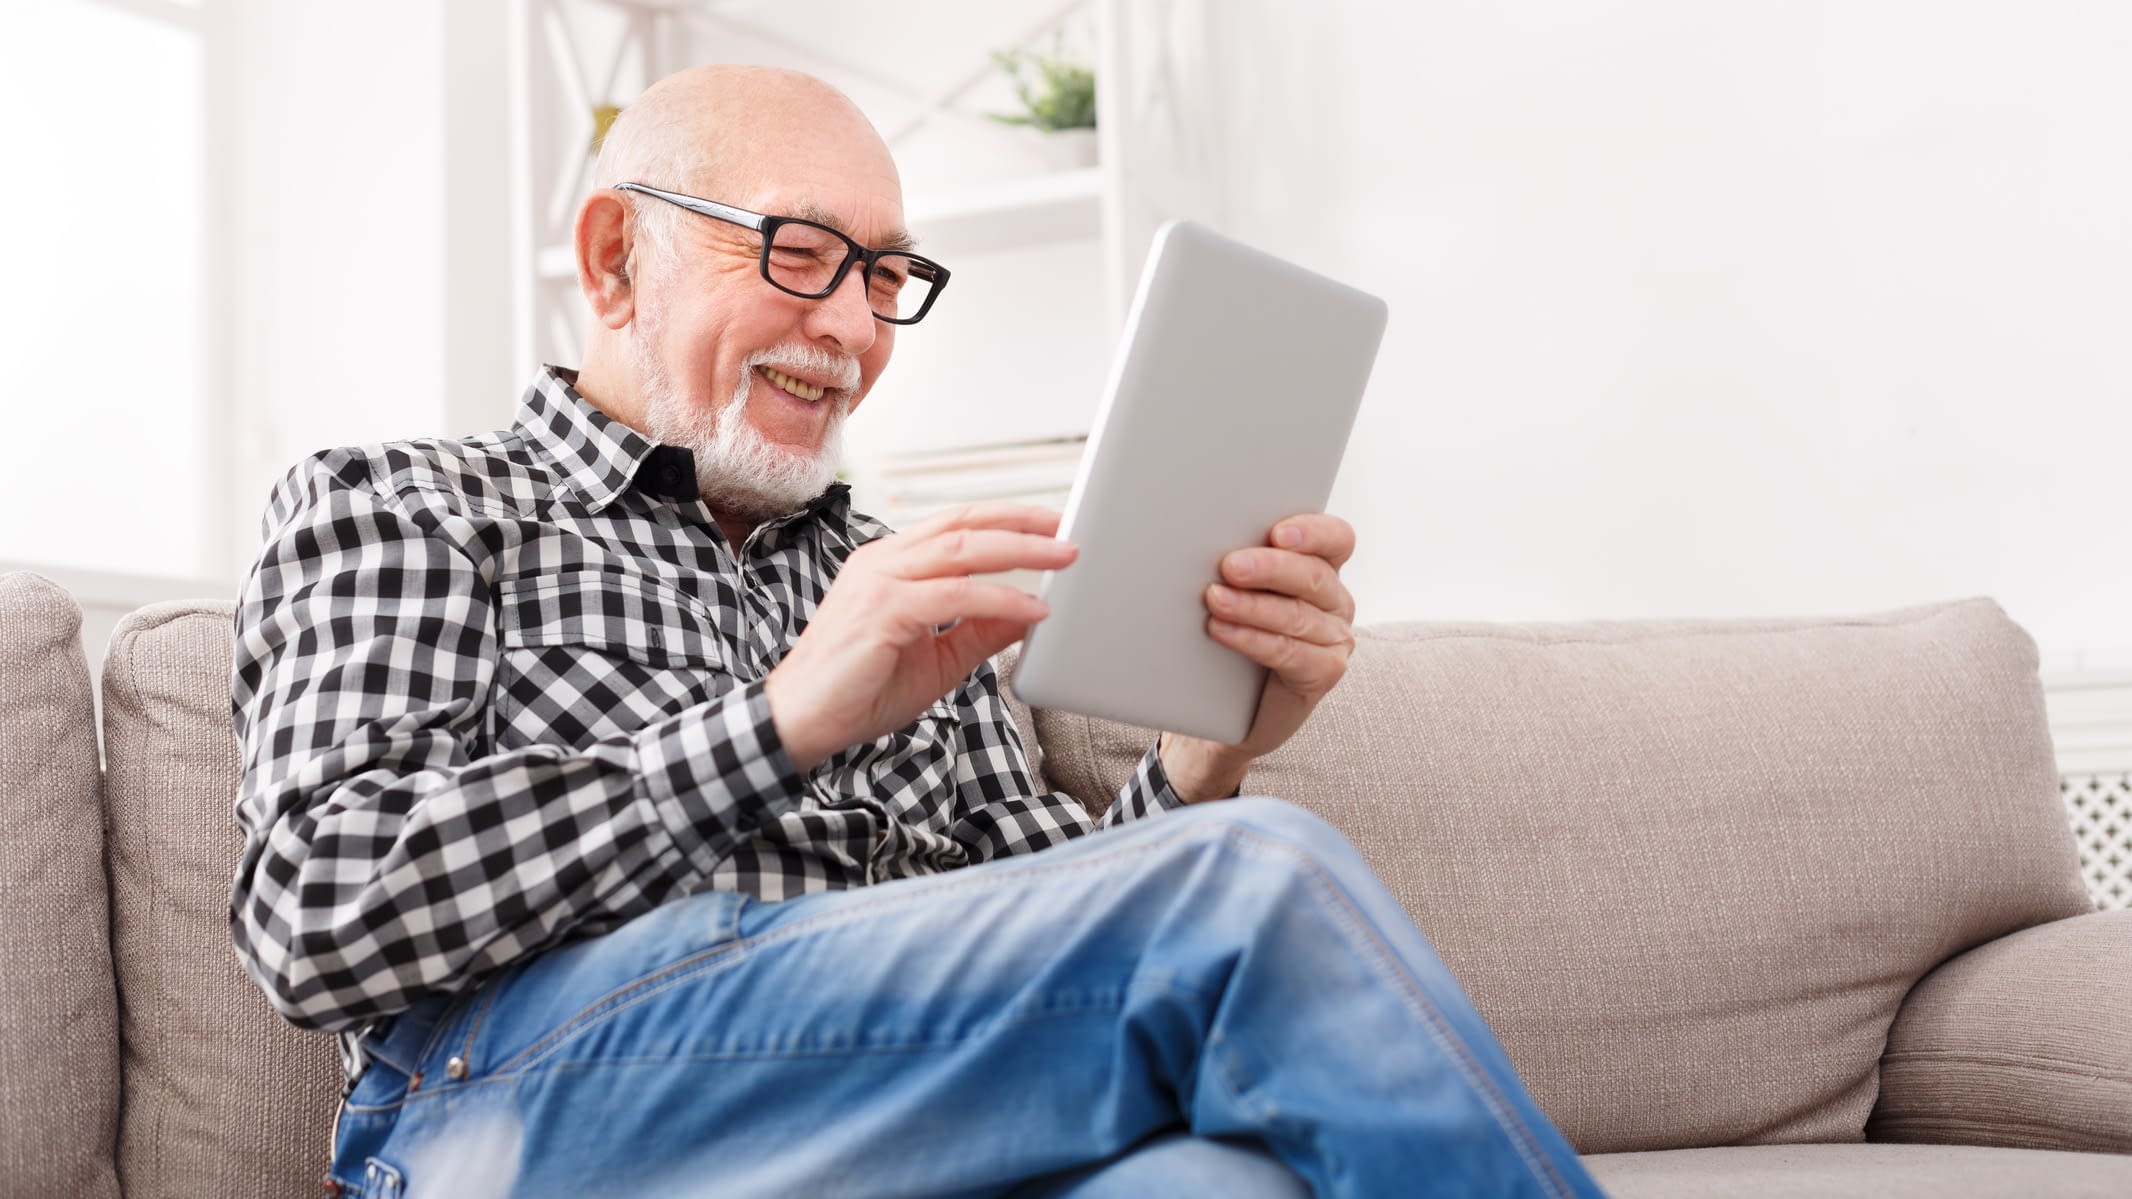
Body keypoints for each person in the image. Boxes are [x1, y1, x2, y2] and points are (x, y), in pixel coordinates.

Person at [230, 63, 1603, 1199]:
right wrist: (777, 726)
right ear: (614, 260)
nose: (849, 330)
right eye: (800, 252)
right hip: (508, 1109)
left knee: (1211, 1187)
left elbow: (1051, 922)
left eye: (884, 276)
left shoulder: (899, 579)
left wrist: (1199, 760)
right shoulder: (406, 504)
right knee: (1257, 877)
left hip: (878, 1109)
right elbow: (313, 913)